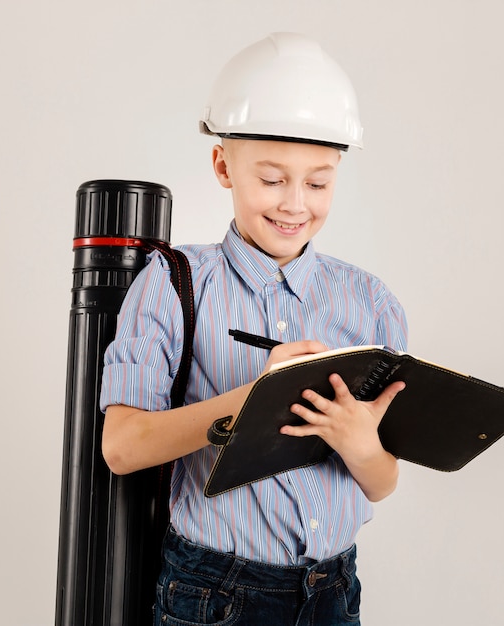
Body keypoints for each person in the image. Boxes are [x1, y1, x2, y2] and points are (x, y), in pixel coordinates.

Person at [100, 32, 408, 626]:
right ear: (223, 166)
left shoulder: (370, 302)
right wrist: (254, 401)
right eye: (272, 179)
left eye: (318, 183)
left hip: (334, 592)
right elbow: (121, 448)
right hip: (215, 593)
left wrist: (359, 442)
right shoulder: (173, 283)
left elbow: (381, 482)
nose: (296, 204)